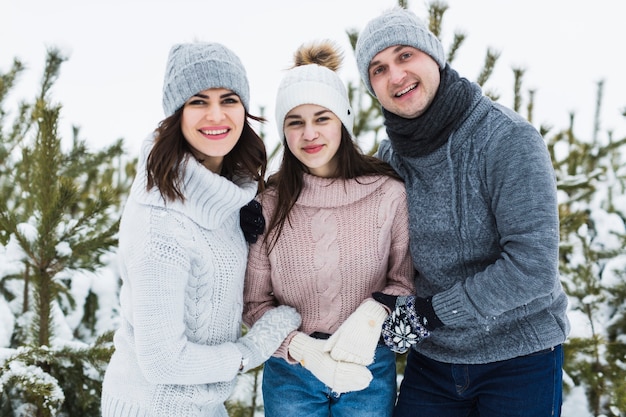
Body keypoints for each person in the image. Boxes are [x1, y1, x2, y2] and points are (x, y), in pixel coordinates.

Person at [354, 7, 570, 417]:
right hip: (434, 363)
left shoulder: (506, 139)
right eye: (378, 69)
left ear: (434, 56)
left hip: (519, 356)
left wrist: (431, 314)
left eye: (405, 55)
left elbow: (533, 267)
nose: (395, 75)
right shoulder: (391, 159)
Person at [101, 42, 301, 417]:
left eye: (228, 99)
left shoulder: (222, 188)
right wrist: (249, 351)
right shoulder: (160, 221)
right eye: (198, 101)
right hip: (155, 407)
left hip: (200, 405)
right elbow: (162, 361)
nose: (216, 115)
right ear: (176, 114)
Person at [243, 40, 416, 417]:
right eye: (295, 122)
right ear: (283, 131)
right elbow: (255, 304)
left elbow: (404, 282)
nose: (310, 134)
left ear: (343, 121)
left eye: (322, 118)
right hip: (291, 373)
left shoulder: (388, 194)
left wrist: (372, 318)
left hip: (368, 366)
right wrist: (299, 348)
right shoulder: (268, 206)